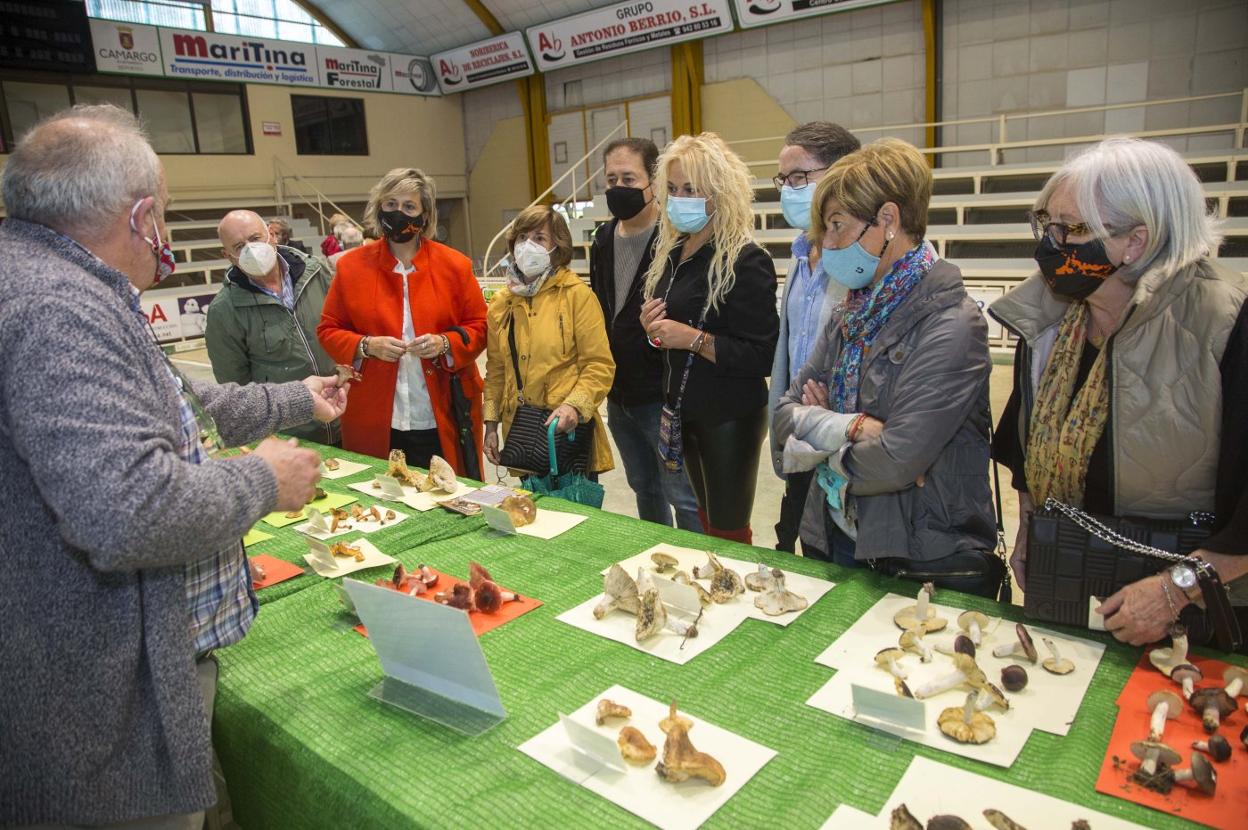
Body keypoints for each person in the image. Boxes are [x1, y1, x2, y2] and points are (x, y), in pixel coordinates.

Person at [0, 104, 347, 827]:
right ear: (141, 215)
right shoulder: (58, 308)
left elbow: (181, 400)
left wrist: (293, 398)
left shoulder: (54, 282)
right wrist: (263, 480)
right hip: (93, 725)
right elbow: (131, 512)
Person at [991, 137, 1248, 648]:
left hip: (1188, 616)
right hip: (1065, 582)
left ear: (1137, 240)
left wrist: (1174, 591)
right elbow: (1025, 447)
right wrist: (1028, 531)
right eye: (1048, 224)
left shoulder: (1225, 321)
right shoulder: (1047, 318)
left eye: (1074, 229)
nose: (1052, 243)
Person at [774, 138, 1001, 597]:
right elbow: (782, 418)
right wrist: (854, 427)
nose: (828, 244)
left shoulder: (952, 325)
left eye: (837, 226)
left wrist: (818, 438)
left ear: (889, 220)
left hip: (915, 554)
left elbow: (896, 461)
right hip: (836, 533)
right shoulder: (849, 313)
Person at [640, 132, 779, 544]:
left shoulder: (745, 259)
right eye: (672, 189)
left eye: (690, 189)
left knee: (728, 529)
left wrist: (693, 339)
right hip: (686, 412)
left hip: (729, 417)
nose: (679, 198)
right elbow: (672, 332)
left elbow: (763, 354)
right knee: (704, 520)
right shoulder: (673, 251)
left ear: (718, 193)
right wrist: (654, 331)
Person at [318, 168, 487, 474]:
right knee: (381, 503)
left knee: (447, 501)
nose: (398, 214)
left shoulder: (456, 266)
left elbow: (480, 326)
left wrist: (445, 342)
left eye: (409, 207)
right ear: (379, 207)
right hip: (377, 416)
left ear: (425, 216)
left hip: (442, 411)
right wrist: (366, 346)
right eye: (391, 204)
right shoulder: (351, 267)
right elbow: (328, 330)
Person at [589, 138, 701, 531]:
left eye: (629, 178)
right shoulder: (602, 240)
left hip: (663, 396)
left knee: (683, 497)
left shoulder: (675, 240)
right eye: (611, 178)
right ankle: (659, 557)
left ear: (653, 182)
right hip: (619, 396)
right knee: (644, 489)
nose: (619, 187)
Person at [768, 121, 860, 554]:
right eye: (784, 179)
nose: (789, 188)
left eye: (800, 177)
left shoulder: (861, 263)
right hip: (800, 435)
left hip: (844, 442)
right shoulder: (799, 256)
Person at [484, 205, 615, 479]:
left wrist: (574, 406)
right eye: (521, 238)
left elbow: (599, 365)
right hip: (521, 434)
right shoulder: (501, 304)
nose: (527, 245)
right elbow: (496, 370)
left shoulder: (577, 296)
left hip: (566, 433)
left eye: (539, 238)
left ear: (558, 246)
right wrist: (491, 425)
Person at [208, 209, 340, 445]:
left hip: (346, 419)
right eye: (239, 246)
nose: (250, 249)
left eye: (255, 239)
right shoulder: (224, 310)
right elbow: (236, 388)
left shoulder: (319, 273)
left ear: (272, 235)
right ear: (228, 255)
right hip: (292, 437)